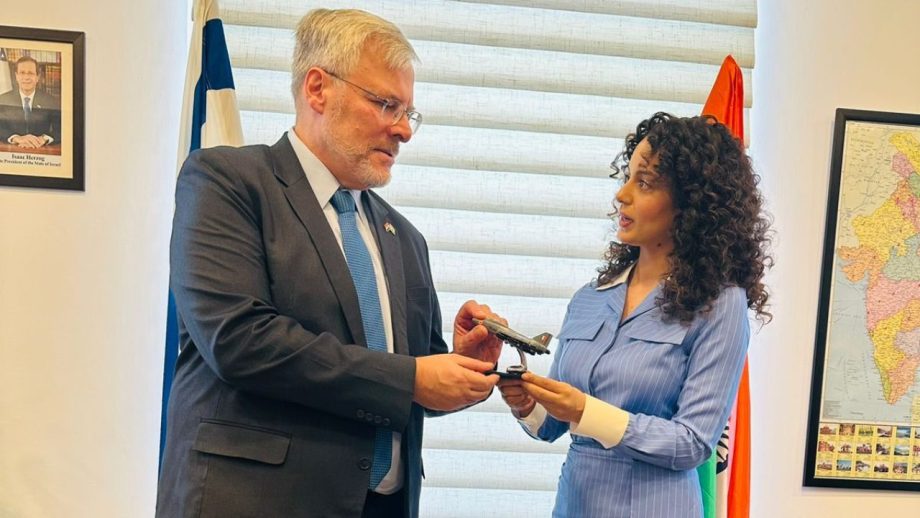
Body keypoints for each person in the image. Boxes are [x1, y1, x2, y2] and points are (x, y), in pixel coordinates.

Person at [156, 9, 504, 518]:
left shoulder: (405, 238)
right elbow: (238, 340)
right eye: (387, 104)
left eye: (410, 112)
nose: (404, 130)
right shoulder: (226, 182)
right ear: (318, 89)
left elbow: (411, 383)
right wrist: (410, 378)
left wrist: (461, 362)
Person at [499, 112, 772, 517]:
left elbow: (693, 443)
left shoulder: (720, 305)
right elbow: (552, 425)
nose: (621, 196)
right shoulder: (590, 298)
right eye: (626, 178)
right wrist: (526, 403)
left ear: (690, 203)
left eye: (643, 183)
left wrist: (585, 411)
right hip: (575, 505)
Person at [0, 56, 61, 148]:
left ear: (37, 77)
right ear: (16, 76)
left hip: (41, 151)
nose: (26, 77)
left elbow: (62, 128)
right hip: (12, 151)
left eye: (31, 73)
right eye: (22, 73)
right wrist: (15, 138)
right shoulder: (3, 100)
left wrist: (44, 138)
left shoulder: (51, 101)